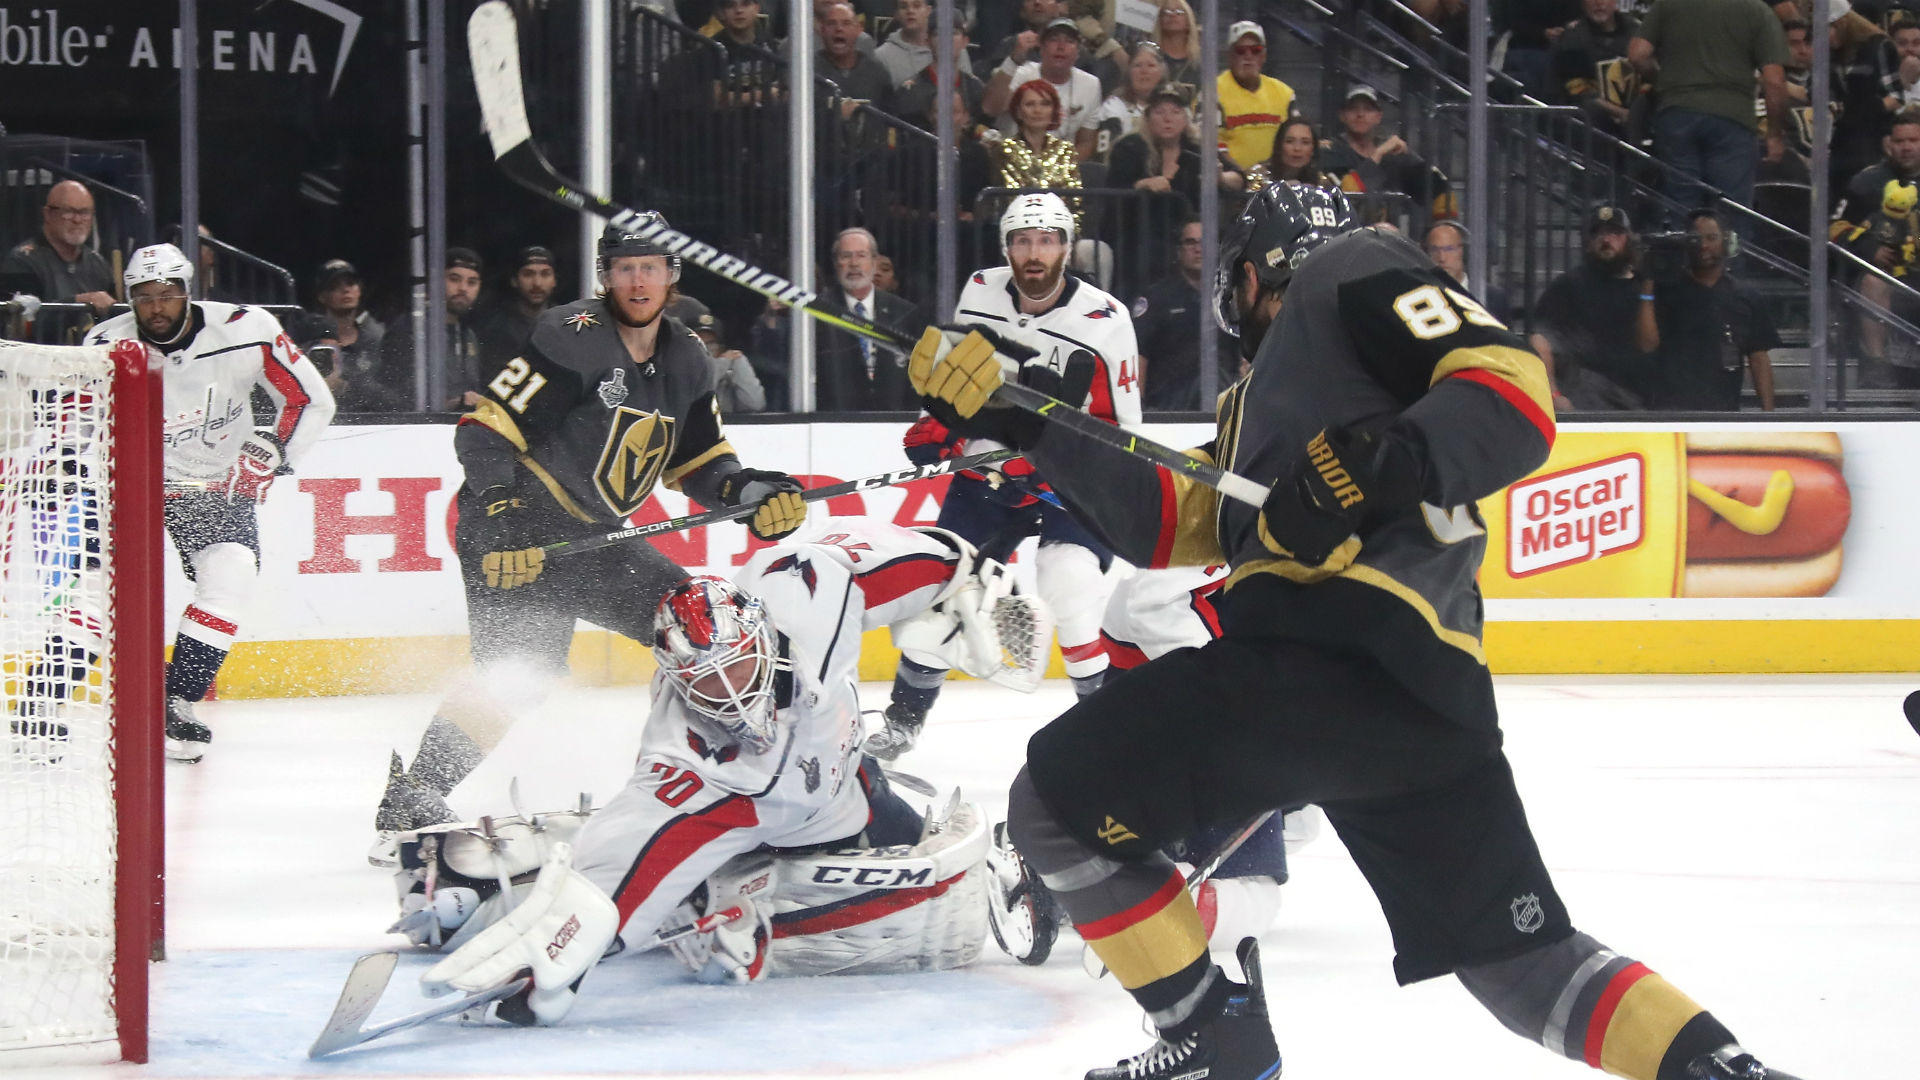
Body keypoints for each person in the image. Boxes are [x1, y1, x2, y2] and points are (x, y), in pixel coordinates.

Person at [907, 181, 1811, 1080]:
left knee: (1057, 805)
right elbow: (1176, 521)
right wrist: (1026, 420)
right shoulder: (1261, 401)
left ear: (1263, 267)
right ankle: (1728, 1071)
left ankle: (1209, 1035)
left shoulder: (1350, 265)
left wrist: (1377, 465)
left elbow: (1513, 388)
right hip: (1422, 704)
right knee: (1523, 965)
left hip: (1325, 654)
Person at [403, 519, 1045, 1016]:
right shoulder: (680, 757)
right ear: (676, 678)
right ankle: (493, 885)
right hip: (757, 819)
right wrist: (575, 938)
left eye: (737, 666)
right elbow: (629, 848)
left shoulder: (803, 593)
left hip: (847, 786)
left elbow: (892, 558)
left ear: (760, 634)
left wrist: (965, 575)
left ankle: (715, 891)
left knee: (915, 861)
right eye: (707, 682)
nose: (731, 694)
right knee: (732, 916)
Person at [369, 221, 809, 857]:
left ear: (671, 276)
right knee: (520, 672)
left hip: (595, 539)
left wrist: (746, 494)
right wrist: (506, 521)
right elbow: (484, 433)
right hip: (517, 531)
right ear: (605, 276)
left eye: (651, 267)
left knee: (702, 628)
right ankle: (413, 796)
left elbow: (699, 459)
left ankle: (749, 790)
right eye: (624, 268)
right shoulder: (568, 338)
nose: (638, 280)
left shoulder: (688, 356)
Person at [865, 192, 1139, 761]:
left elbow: (1122, 430)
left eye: (1046, 240)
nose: (1033, 253)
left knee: (1069, 580)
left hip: (1070, 479)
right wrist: (938, 424)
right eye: (1021, 240)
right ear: (1006, 247)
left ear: (1067, 246)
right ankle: (902, 722)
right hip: (989, 469)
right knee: (947, 583)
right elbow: (959, 371)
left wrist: (1057, 462)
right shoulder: (981, 290)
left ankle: (1108, 728)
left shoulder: (1106, 320)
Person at [82, 243, 336, 762]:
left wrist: (271, 450)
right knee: (90, 600)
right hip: (127, 485)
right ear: (130, 298)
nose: (156, 307)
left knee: (232, 576)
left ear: (188, 292)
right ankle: (41, 709)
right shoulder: (105, 342)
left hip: (215, 485)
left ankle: (177, 702)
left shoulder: (247, 329)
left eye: (167, 295)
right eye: (144, 297)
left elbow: (311, 400)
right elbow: (80, 417)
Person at [1628, 0, 1788, 210]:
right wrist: (1774, 134)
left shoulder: (1667, 5)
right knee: (1731, 212)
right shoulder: (1757, 10)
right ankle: (1730, 240)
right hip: (1733, 119)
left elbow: (1637, 54)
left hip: (1676, 114)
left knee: (1682, 207)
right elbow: (1774, 81)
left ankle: (1685, 239)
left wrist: (1662, 80)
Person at [1530, 205, 1662, 410]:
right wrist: (1554, 395)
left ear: (1629, 239)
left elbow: (1649, 345)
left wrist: (1647, 285)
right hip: (1587, 399)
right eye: (1599, 233)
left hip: (1638, 401)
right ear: (1589, 242)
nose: (1606, 240)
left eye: (1615, 233)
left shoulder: (1644, 286)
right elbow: (1540, 341)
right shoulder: (1569, 286)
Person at [1645, 209, 1779, 410]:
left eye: (1711, 238)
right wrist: (1648, 281)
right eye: (1696, 239)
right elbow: (1646, 346)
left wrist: (1769, 417)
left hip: (1724, 414)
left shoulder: (1747, 296)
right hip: (1672, 413)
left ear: (1727, 241)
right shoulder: (1665, 292)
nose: (1703, 245)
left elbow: (1759, 359)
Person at [812, 227, 924, 411]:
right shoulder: (819, 312)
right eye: (846, 256)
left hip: (895, 425)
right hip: (835, 425)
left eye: (861, 255)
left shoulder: (904, 312)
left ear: (874, 262)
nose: (854, 263)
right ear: (835, 263)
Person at [1130, 217, 1236, 410]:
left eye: (1205, 242)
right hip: (1169, 408)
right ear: (1179, 251)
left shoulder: (1230, 297)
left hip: (1223, 406)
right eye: (1190, 242)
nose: (1198, 249)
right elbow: (1139, 355)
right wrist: (1138, 410)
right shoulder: (1157, 298)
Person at [1318, 85, 1449, 220]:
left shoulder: (1393, 154)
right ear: (1342, 116)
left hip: (1388, 236)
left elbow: (1439, 187)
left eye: (1368, 109)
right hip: (1346, 236)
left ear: (1378, 117)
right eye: (1353, 108)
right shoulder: (1330, 152)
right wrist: (1378, 154)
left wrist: (1443, 228)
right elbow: (1345, 198)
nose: (1360, 114)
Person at [380, 248, 485, 411]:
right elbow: (396, 396)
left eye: (472, 282)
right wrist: (452, 404)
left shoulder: (468, 335)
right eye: (454, 279)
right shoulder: (411, 328)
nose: (463, 288)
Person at [984, 17, 1103, 160]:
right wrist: (1014, 59)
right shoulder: (1020, 72)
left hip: (1061, 169)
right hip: (1013, 162)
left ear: (1078, 51)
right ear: (1041, 47)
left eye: (1069, 41)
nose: (1061, 46)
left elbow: (1086, 141)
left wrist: (1061, 168)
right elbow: (990, 108)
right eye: (1054, 39)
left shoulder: (1091, 85)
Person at [1, 180, 117, 319]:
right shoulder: (21, 262)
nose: (78, 219)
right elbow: (22, 324)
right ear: (48, 214)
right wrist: (78, 302)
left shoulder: (98, 264)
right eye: (69, 211)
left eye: (85, 212)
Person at [310, 259, 392, 412]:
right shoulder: (308, 342)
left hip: (374, 423)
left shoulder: (378, 340)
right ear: (322, 296)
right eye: (335, 286)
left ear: (359, 291)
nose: (345, 290)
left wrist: (347, 386)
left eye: (350, 284)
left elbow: (393, 397)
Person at [1552, 0, 1642, 137]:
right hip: (1590, 120)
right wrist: (1620, 112)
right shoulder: (1573, 37)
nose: (1598, 3)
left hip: (1635, 111)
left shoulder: (1636, 31)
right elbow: (1579, 91)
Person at [1215, 21, 1295, 173]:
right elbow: (1210, 145)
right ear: (1229, 56)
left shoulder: (1284, 93)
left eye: (1255, 50)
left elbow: (1293, 138)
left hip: (1277, 181)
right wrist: (1244, 176)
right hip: (1229, 185)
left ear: (1264, 56)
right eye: (1240, 50)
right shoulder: (1213, 92)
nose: (1248, 56)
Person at [1833, 106, 1920, 238]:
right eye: (1899, 141)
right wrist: (1870, 250)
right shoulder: (1865, 182)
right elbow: (1835, 228)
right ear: (1889, 144)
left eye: (1913, 140)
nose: (1906, 148)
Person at [473, 245, 559, 368]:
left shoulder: (568, 326)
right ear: (514, 280)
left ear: (554, 280)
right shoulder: (494, 328)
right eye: (528, 274)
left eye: (545, 274)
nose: (537, 283)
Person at [1089, 42, 1167, 165]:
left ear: (1162, 72)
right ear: (1129, 72)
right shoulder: (1113, 106)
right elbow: (1106, 155)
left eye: (1151, 65)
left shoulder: (1173, 106)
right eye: (1138, 65)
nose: (1144, 71)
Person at [1423, 220, 1511, 325]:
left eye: (1449, 249)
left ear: (1464, 252)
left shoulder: (1494, 297)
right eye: (1434, 250)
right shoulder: (1418, 296)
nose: (1442, 258)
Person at [817, 1, 895, 117]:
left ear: (859, 29)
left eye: (846, 23)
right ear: (822, 30)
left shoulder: (877, 72)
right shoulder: (808, 72)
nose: (839, 28)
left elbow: (891, 119)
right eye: (832, 23)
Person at [692, 311, 768, 413]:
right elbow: (694, 405)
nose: (705, 350)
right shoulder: (676, 368)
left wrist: (739, 363)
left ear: (722, 348)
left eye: (711, 345)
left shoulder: (729, 366)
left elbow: (756, 404)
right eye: (698, 343)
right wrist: (719, 365)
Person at [1259, 116, 1339, 191]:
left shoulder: (1323, 184)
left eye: (1305, 142)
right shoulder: (1256, 177)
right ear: (1279, 146)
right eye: (1289, 141)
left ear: (1313, 149)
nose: (1297, 148)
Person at [1149, 0, 1201, 101]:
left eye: (1179, 12)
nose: (1172, 15)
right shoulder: (1150, 56)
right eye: (1167, 12)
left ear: (1188, 20)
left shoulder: (1200, 59)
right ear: (1159, 19)